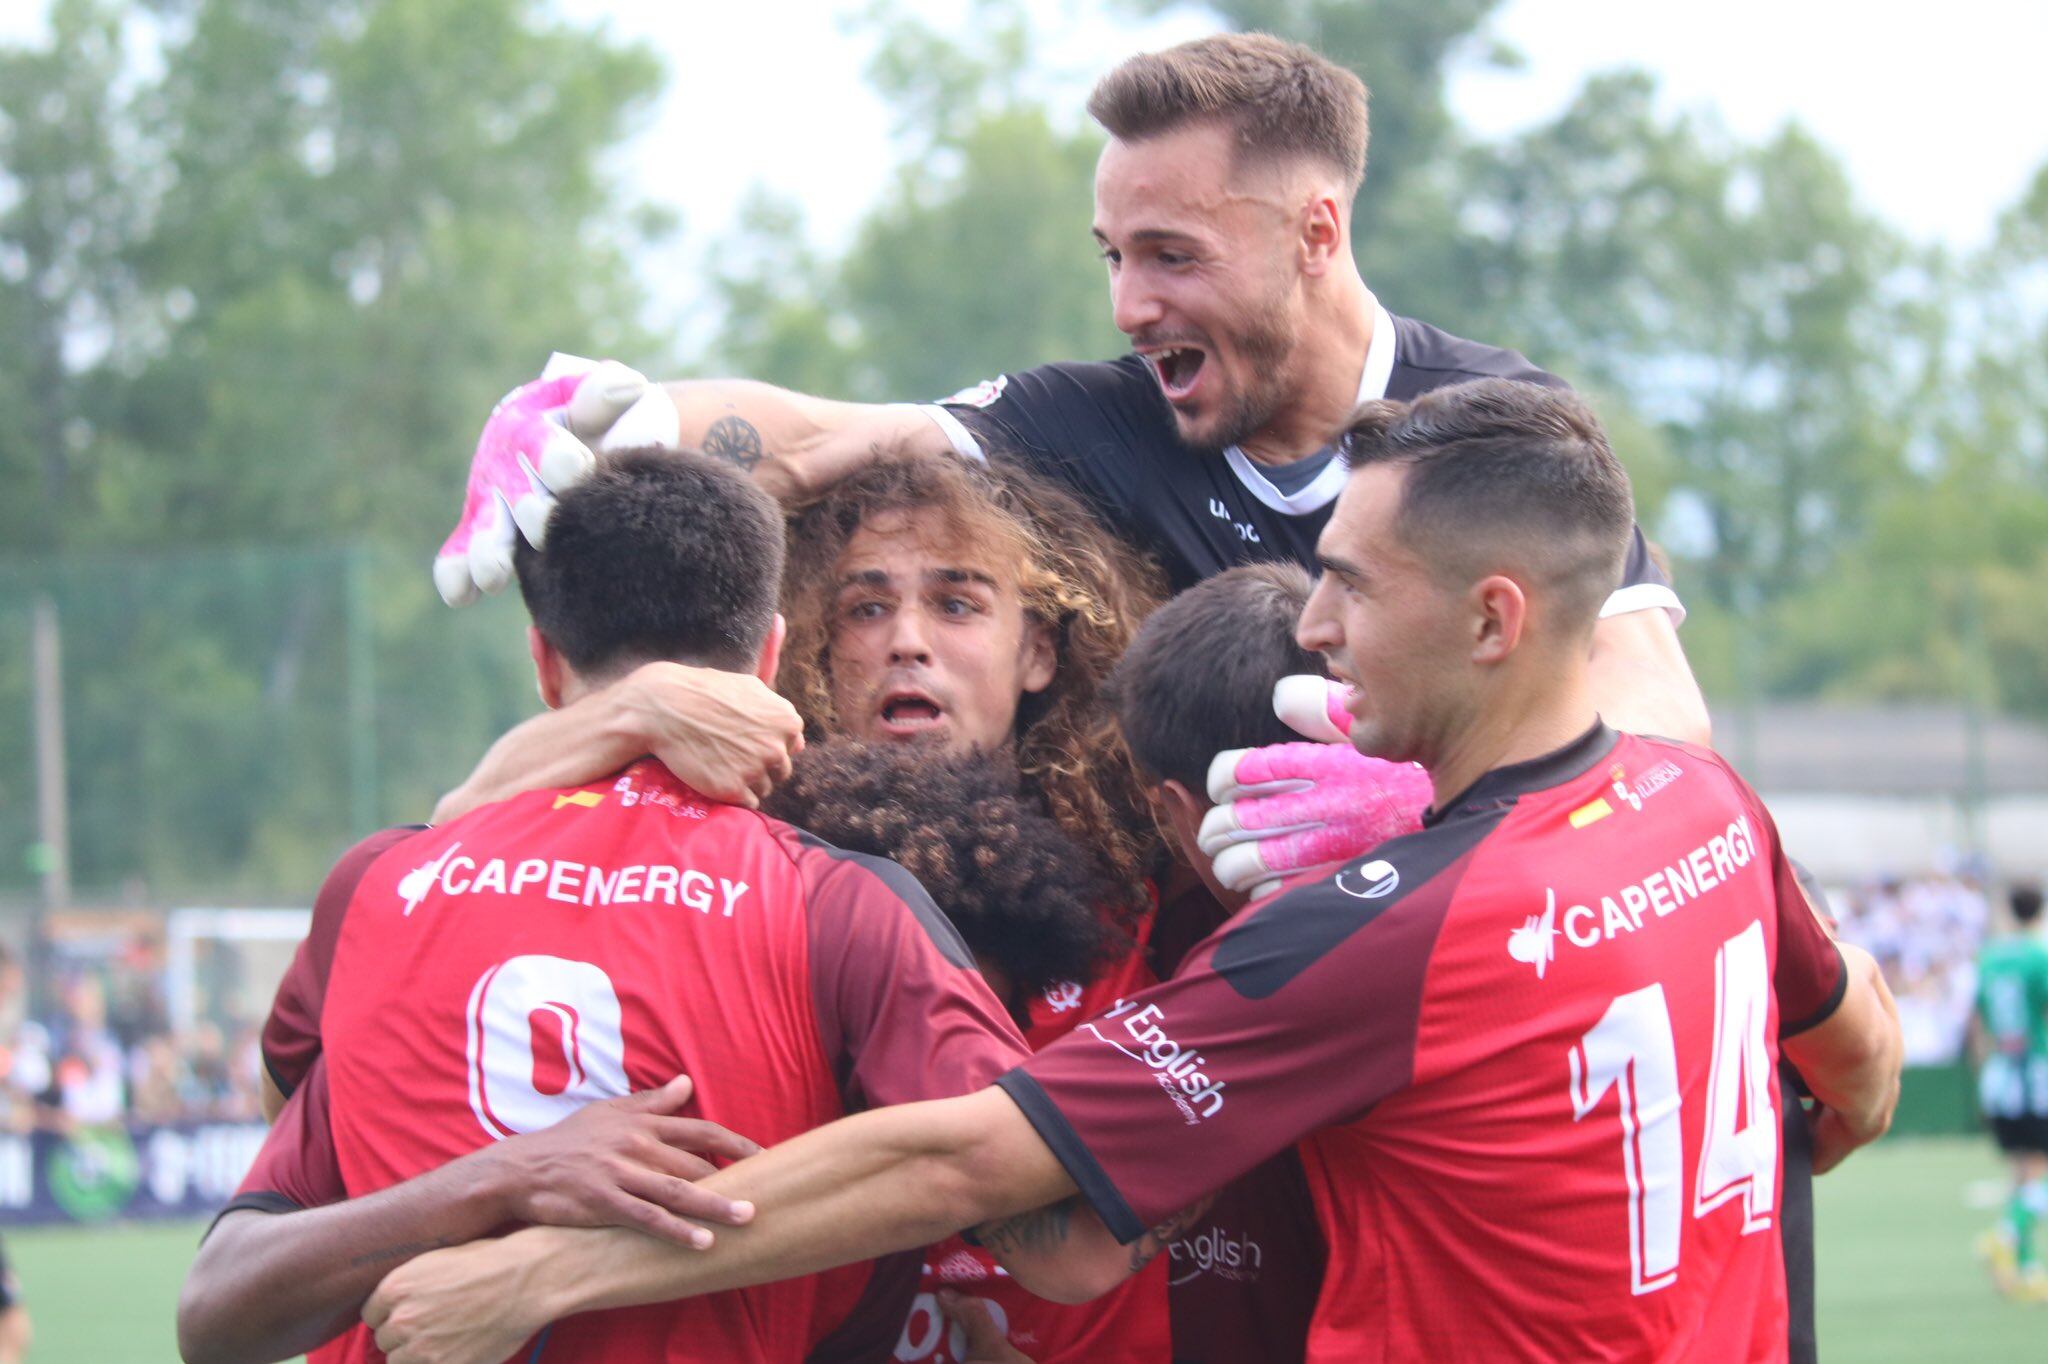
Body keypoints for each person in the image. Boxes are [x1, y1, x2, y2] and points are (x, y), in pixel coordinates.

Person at [364, 379, 1902, 1364]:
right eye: (864, 605)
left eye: (1351, 590)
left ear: (1496, 619)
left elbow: (988, 1178)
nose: (1315, 627)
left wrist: (548, 1272)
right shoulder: (1700, 802)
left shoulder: (1348, 925)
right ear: (795, 646)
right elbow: (1861, 1076)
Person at [428, 32, 1709, 893]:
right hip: (1229, 1011)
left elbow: (1666, 722)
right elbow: (823, 438)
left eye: (1170, 254)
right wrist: (614, 426)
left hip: (1475, 976)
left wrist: (1425, 807)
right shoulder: (1098, 419)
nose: (1129, 304)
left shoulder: (1494, 424)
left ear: (1315, 232)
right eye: (1112, 256)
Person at [182, 448, 1031, 1364]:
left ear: (544, 664)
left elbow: (217, 1314)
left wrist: (492, 1185)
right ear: (774, 656)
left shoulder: (380, 888)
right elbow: (1052, 1231)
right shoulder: (836, 905)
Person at [1972, 881, 2048, 1298]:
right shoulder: (2040, 956)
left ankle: (2025, 1266)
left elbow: (1978, 1022)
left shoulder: (1991, 958)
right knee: (2036, 1173)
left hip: (2001, 1077)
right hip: (2035, 1078)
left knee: (2023, 1171)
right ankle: (2006, 1235)